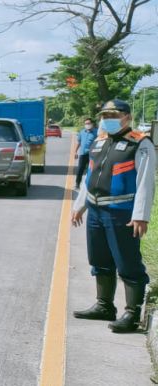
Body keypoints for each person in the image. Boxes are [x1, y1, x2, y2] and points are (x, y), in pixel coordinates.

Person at [71, 99, 156, 333]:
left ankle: (131, 313)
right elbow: (91, 177)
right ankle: (104, 305)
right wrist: (80, 205)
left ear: (126, 117)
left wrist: (141, 215)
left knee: (127, 261)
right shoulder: (99, 143)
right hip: (97, 211)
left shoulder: (139, 143)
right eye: (104, 115)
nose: (107, 119)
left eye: (113, 114)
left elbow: (146, 182)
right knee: (99, 259)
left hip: (122, 212)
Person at [75, 118, 98, 187]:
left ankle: (92, 185)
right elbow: (79, 142)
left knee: (92, 170)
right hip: (83, 154)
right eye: (86, 124)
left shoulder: (96, 132)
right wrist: (75, 151)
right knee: (80, 169)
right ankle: (77, 184)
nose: (87, 125)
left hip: (93, 154)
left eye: (88, 123)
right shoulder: (82, 132)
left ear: (92, 124)